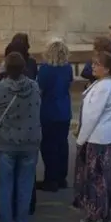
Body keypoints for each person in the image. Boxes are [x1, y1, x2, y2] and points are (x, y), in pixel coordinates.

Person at [0, 52, 41, 222]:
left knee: (6, 186)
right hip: (30, 141)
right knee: (25, 186)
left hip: (6, 141)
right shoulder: (34, 86)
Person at [72, 51, 111, 222]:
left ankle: (97, 215)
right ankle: (107, 213)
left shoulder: (103, 87)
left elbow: (92, 115)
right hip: (103, 136)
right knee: (104, 176)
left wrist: (81, 138)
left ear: (107, 69)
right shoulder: (107, 84)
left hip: (97, 137)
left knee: (96, 177)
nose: (93, 67)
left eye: (97, 64)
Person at [36, 40, 74, 192]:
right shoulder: (68, 68)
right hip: (64, 109)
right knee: (62, 144)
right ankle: (61, 177)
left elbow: (41, 89)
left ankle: (50, 178)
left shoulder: (45, 69)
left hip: (49, 110)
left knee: (48, 145)